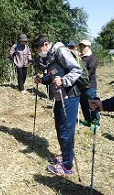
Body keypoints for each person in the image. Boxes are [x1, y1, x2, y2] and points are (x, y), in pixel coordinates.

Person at [32, 35, 82, 175]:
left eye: (39, 50)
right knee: (60, 129)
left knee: (66, 131)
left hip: (69, 96)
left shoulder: (61, 51)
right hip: (59, 97)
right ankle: (64, 155)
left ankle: (67, 166)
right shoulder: (51, 56)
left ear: (46, 44)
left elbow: (77, 70)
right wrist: (42, 80)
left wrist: (64, 81)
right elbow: (54, 76)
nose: (39, 53)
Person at [78, 40, 101, 131]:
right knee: (83, 105)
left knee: (92, 105)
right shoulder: (79, 58)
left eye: (84, 46)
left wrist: (78, 75)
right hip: (80, 87)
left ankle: (95, 123)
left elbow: (90, 72)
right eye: (80, 46)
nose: (82, 48)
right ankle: (87, 120)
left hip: (90, 86)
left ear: (89, 47)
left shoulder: (92, 58)